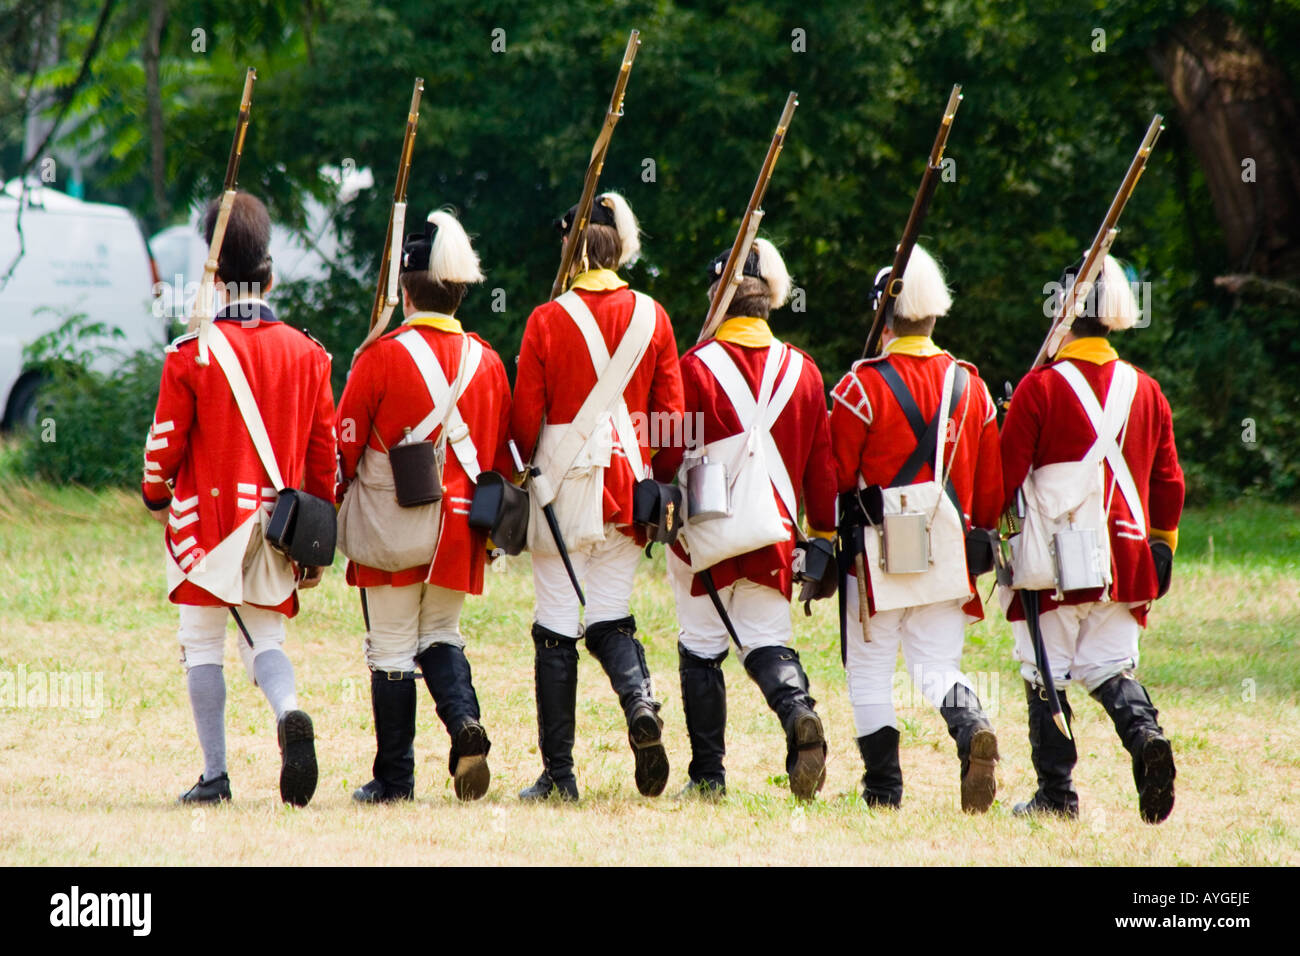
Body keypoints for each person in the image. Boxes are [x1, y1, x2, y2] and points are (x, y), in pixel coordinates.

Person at [141, 192, 335, 807]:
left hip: (206, 528)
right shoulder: (310, 355)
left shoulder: (191, 353)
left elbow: (163, 447)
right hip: (277, 524)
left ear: (215, 276)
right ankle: (289, 710)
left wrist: (153, 492)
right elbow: (323, 456)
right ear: (271, 274)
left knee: (201, 644)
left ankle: (216, 774)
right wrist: (314, 538)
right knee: (267, 644)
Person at [511, 192, 684, 801]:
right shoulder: (653, 316)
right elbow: (670, 418)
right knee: (611, 613)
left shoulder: (545, 319)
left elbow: (524, 421)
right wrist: (649, 477)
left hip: (563, 489)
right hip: (628, 485)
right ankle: (640, 703)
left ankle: (560, 776)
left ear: (572, 249)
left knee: (557, 623)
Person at [336, 210, 512, 804]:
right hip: (462, 527)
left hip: (395, 523)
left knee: (389, 647)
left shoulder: (380, 356)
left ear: (406, 290)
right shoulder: (488, 360)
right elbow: (498, 452)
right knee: (441, 633)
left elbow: (346, 443)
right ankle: (464, 727)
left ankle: (395, 780)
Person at [1000, 255, 1183, 824]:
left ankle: (1056, 796)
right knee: (1109, 668)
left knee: (1043, 671)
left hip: (1054, 560)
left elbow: (1004, 479)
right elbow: (1169, 482)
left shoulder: (1040, 388)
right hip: (1127, 556)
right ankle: (1145, 735)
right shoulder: (1146, 389)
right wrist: (1163, 546)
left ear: (1066, 310)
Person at [654, 238, 836, 800]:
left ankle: (708, 776)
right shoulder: (803, 371)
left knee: (702, 645)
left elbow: (664, 452)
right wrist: (824, 538)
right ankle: (797, 714)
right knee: (767, 641)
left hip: (706, 533)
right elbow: (822, 471)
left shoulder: (692, 366)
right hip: (775, 536)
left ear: (718, 300)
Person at [828, 245, 1004, 812]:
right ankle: (971, 722)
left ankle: (883, 788)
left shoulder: (860, 388)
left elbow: (835, 477)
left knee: (872, 670)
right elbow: (992, 488)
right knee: (936, 668)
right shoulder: (972, 388)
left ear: (883, 317)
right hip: (948, 546)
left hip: (875, 556)